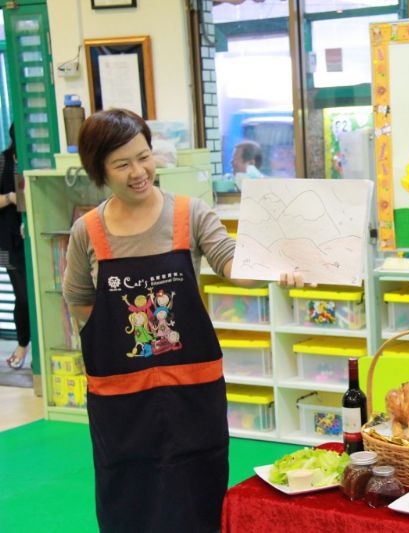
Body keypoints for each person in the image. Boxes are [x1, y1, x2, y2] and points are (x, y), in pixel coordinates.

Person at [62, 108, 303, 532]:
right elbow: (79, 299)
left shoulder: (189, 214)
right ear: (99, 170)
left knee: (197, 497)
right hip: (121, 404)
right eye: (122, 164)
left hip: (192, 396)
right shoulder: (88, 230)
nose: (139, 172)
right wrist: (113, 343)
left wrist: (275, 268)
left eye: (144, 157)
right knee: (127, 499)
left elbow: (231, 263)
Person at [0, 124, 30, 370]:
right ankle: (22, 344)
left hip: (32, 235)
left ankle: (38, 348)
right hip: (7, 241)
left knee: (39, 295)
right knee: (22, 296)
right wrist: (11, 198)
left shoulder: (37, 158)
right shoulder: (3, 160)